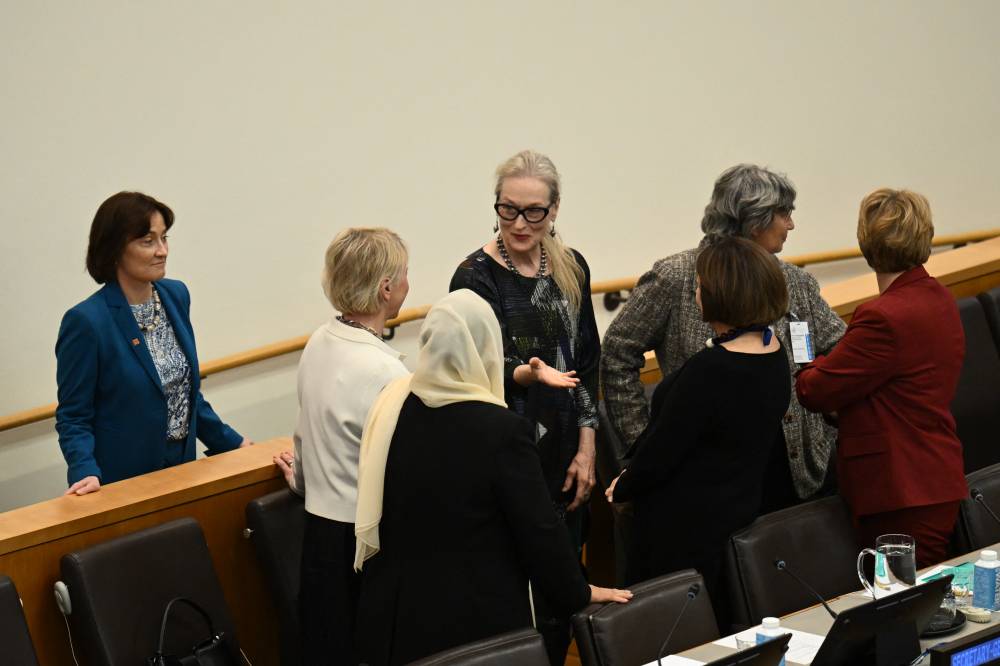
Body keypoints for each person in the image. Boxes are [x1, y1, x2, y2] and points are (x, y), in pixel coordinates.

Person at [354, 289, 630, 666]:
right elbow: (538, 530)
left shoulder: (395, 404)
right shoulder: (502, 431)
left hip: (403, 618)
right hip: (478, 624)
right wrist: (578, 592)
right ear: (483, 347)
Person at [601, 164, 846, 511]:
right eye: (784, 213)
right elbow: (616, 353)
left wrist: (829, 421)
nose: (791, 224)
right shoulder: (678, 277)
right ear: (755, 218)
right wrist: (644, 442)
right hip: (706, 481)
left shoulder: (795, 282)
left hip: (793, 472)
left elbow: (843, 350)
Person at [448, 150, 600, 662]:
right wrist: (528, 373)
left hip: (565, 452)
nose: (518, 222)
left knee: (565, 601)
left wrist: (588, 447)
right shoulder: (474, 278)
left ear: (554, 210)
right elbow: (477, 372)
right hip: (509, 458)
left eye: (533, 211)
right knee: (521, 608)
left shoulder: (570, 266)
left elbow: (586, 362)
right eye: (508, 209)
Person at [606, 236, 791, 626]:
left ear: (724, 293)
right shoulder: (774, 353)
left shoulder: (710, 371)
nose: (695, 290)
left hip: (682, 538)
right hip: (737, 520)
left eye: (700, 283)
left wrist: (622, 485)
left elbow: (663, 453)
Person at [796, 189, 966, 567]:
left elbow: (815, 389)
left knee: (906, 611)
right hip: (933, 475)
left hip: (901, 489)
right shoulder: (938, 297)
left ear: (866, 242)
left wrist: (807, 358)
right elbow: (894, 387)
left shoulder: (882, 317)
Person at [272, 228, 410, 665]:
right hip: (366, 548)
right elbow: (400, 474)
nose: (409, 283)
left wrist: (300, 481)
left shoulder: (320, 341)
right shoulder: (386, 371)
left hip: (318, 534)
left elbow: (306, 436)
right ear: (386, 288)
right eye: (405, 274)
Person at [55, 192, 250, 496]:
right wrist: (85, 471)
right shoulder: (86, 322)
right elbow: (74, 416)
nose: (162, 251)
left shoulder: (176, 295)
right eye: (148, 241)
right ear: (115, 249)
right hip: (123, 483)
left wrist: (232, 442)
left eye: (164, 238)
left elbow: (186, 395)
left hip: (184, 469)